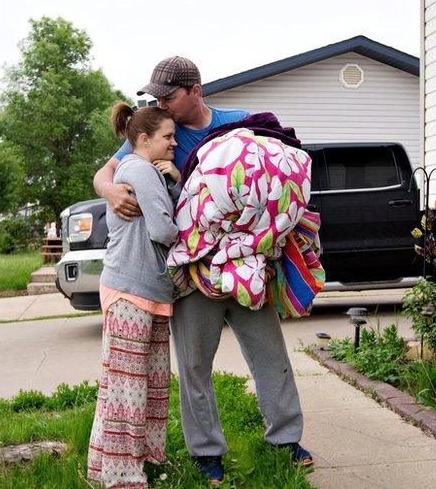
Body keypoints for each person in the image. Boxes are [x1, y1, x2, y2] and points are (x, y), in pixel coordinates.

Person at [93, 57, 313, 486]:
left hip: (247, 263)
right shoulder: (155, 130)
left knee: (269, 354)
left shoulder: (237, 123)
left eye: (168, 97)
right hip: (191, 272)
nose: (162, 105)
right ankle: (207, 453)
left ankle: (286, 440)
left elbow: (271, 165)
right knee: (194, 366)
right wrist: (109, 190)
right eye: (156, 99)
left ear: (195, 89)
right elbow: (110, 169)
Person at [86, 103, 182, 489]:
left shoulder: (149, 172)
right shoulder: (139, 170)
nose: (175, 142)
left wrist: (173, 181)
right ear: (144, 139)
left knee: (147, 384)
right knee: (128, 388)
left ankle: (134, 462)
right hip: (130, 290)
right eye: (168, 137)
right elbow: (163, 228)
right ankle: (122, 476)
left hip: (148, 290)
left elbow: (160, 215)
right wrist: (200, 238)